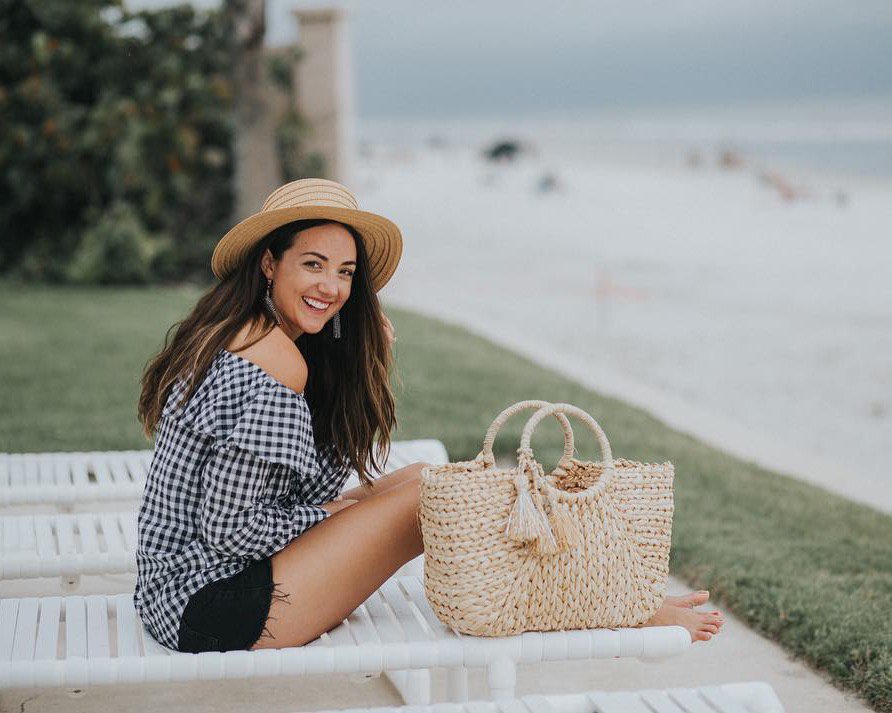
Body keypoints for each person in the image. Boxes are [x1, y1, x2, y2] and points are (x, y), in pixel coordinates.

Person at [135, 178, 723, 653]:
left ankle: (609, 599)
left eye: (345, 273)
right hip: (207, 605)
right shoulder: (272, 358)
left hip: (186, 591)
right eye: (313, 265)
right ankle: (620, 608)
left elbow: (302, 486)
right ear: (270, 264)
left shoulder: (251, 335)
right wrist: (338, 511)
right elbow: (232, 529)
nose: (332, 287)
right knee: (436, 499)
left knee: (427, 479)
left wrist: (356, 368)